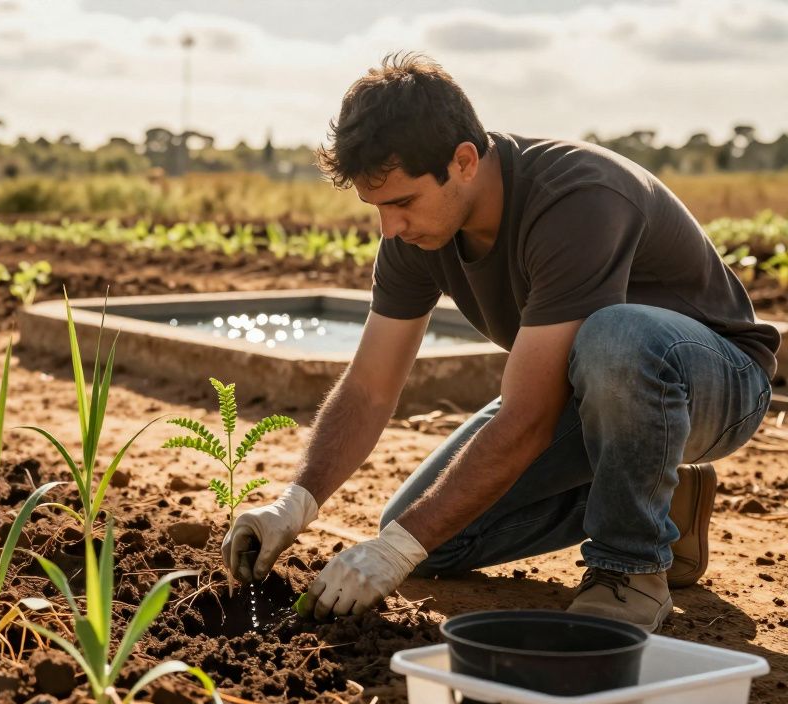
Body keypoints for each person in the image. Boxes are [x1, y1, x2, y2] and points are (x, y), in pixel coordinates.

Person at [221, 52, 778, 632]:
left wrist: (393, 552)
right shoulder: (417, 239)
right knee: (428, 539)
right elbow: (367, 388)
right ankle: (664, 495)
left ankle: (629, 566)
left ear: (463, 161)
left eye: (402, 202)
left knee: (616, 336)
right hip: (593, 394)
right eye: (377, 208)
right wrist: (296, 504)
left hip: (718, 381)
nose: (390, 228)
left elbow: (529, 415)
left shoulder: (576, 198)